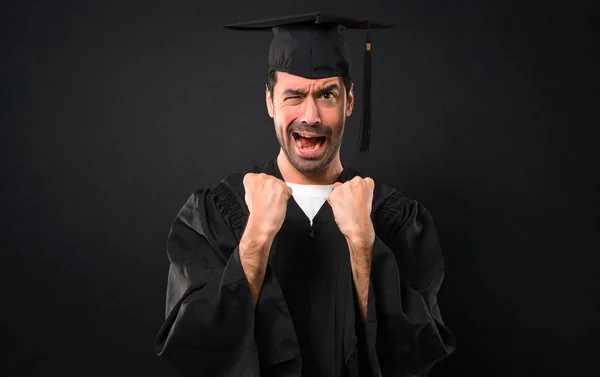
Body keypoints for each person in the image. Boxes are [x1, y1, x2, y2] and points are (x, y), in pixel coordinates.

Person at [155, 12, 456, 377]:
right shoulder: (218, 213)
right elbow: (193, 350)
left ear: (349, 101)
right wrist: (256, 236)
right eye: (293, 96)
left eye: (327, 94)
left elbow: (415, 356)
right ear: (269, 101)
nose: (310, 115)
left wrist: (363, 243)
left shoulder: (395, 218)